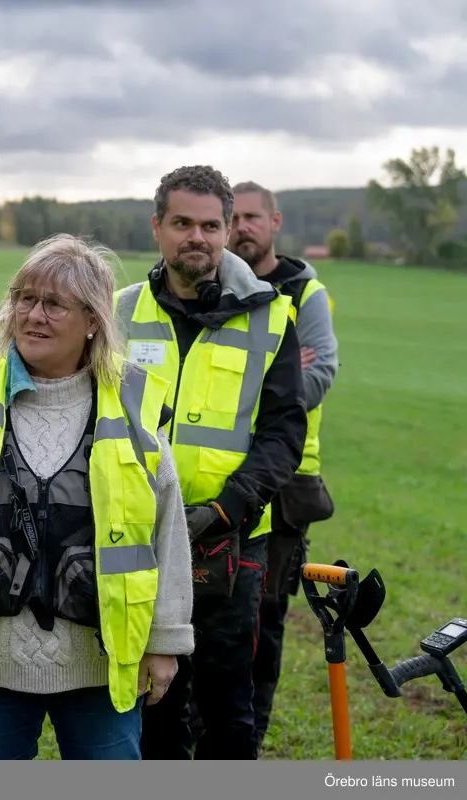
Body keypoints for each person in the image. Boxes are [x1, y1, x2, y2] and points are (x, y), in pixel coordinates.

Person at [0, 233, 195, 760]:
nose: (33, 314)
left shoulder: (133, 410)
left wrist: (166, 640)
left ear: (93, 322)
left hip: (103, 662)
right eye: (24, 298)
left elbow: (167, 530)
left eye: (54, 304)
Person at [113, 165, 308, 760]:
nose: (194, 237)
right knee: (151, 702)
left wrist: (227, 508)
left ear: (227, 230)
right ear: (157, 228)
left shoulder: (273, 316)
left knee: (228, 710)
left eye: (209, 225)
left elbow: (283, 433)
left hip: (233, 539)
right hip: (138, 536)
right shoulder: (118, 313)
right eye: (181, 224)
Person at [229, 181, 338, 751]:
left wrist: (245, 404)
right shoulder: (214, 286)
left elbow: (318, 377)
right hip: (217, 472)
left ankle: (251, 733)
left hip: (287, 481)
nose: (241, 227)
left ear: (274, 222)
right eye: (233, 217)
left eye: (253, 217)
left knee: (263, 616)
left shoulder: (304, 293)